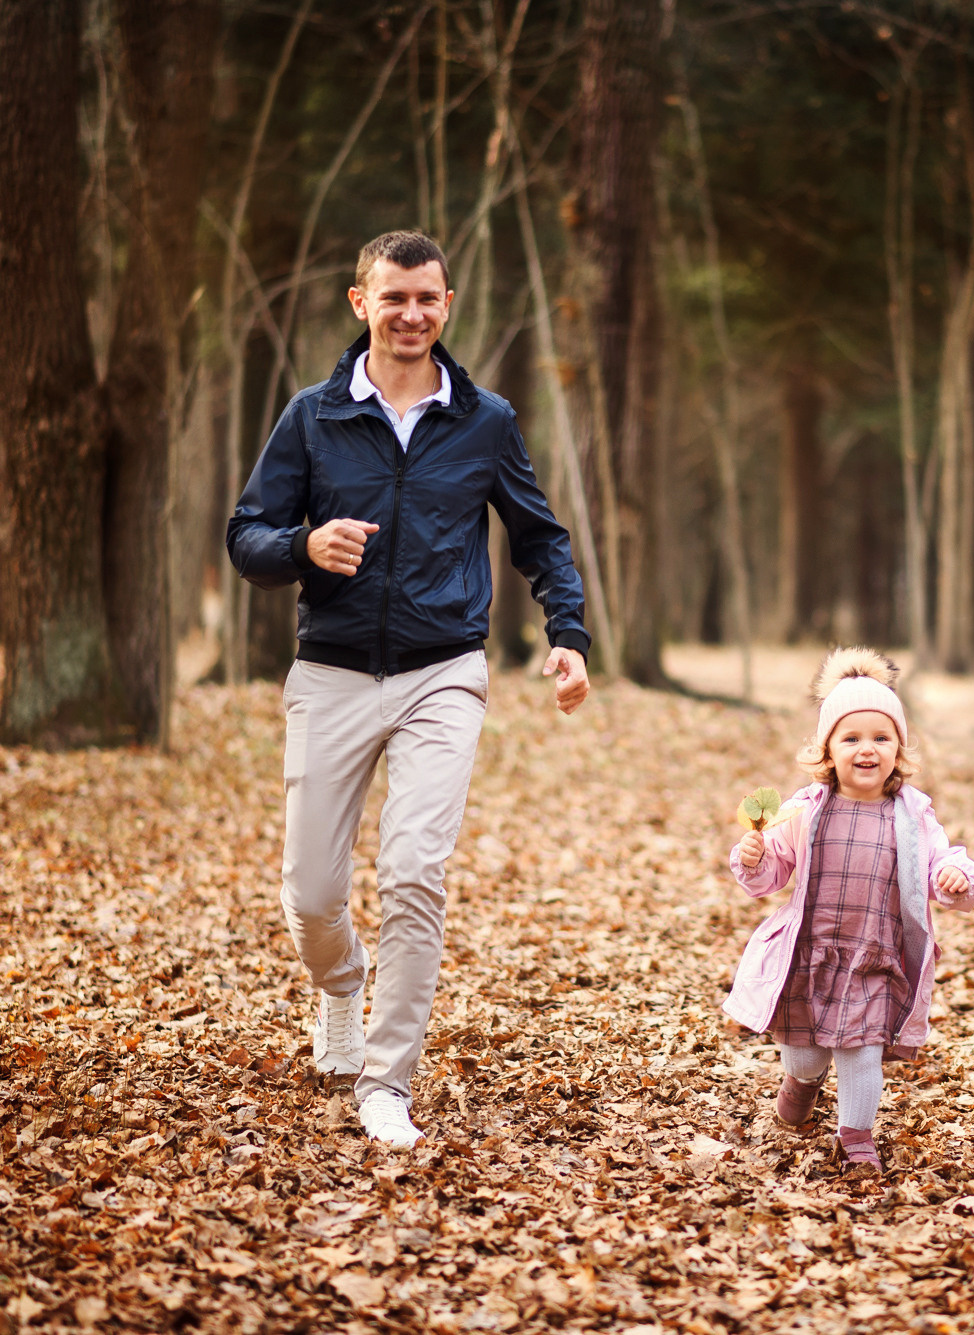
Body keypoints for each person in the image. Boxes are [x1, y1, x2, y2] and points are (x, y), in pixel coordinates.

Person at [227, 230, 592, 1147]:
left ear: (447, 305)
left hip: (443, 671)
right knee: (312, 893)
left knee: (416, 872)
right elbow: (246, 536)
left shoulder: (485, 420)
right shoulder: (313, 416)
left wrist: (568, 634)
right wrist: (303, 545)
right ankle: (341, 984)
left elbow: (539, 536)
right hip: (333, 670)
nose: (412, 314)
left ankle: (387, 1080)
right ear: (362, 304)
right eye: (394, 297)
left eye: (428, 298)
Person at [723, 648, 974, 1172]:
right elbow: (773, 869)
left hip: (872, 956)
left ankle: (856, 1136)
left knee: (861, 1053)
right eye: (852, 738)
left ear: (899, 749)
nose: (867, 749)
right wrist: (755, 856)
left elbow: (941, 858)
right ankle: (803, 1080)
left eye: (881, 738)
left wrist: (956, 876)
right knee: (804, 1050)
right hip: (810, 951)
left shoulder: (911, 815)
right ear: (827, 750)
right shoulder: (805, 810)